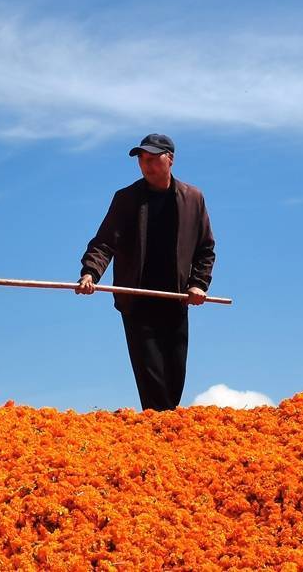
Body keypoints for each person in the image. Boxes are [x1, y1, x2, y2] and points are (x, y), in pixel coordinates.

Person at [76, 133, 215, 411]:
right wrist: (90, 273)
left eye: (152, 159)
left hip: (175, 300)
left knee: (174, 375)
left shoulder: (192, 199)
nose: (146, 165)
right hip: (136, 300)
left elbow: (205, 248)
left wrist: (198, 284)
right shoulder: (127, 199)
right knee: (151, 375)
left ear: (170, 159)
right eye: (142, 160)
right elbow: (105, 242)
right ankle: (160, 437)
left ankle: (167, 434)